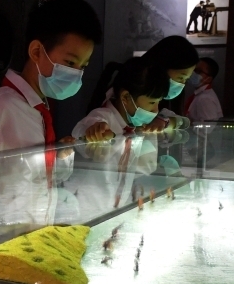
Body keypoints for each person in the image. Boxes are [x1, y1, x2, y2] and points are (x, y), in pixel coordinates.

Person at [0, 0, 102, 226]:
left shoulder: (37, 110)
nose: (77, 73)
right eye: (70, 63)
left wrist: (60, 157)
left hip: (32, 233)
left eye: (83, 66)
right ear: (36, 51)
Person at [66, 58, 169, 220]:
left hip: (115, 209)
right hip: (87, 211)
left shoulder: (133, 125)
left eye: (158, 102)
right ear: (126, 97)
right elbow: (83, 131)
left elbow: (143, 168)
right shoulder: (102, 118)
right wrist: (95, 132)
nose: (156, 109)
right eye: (152, 102)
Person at [184, 57, 223, 122]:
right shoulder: (201, 95)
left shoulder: (205, 99)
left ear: (209, 79)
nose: (193, 73)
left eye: (198, 71)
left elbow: (208, 126)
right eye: (193, 70)